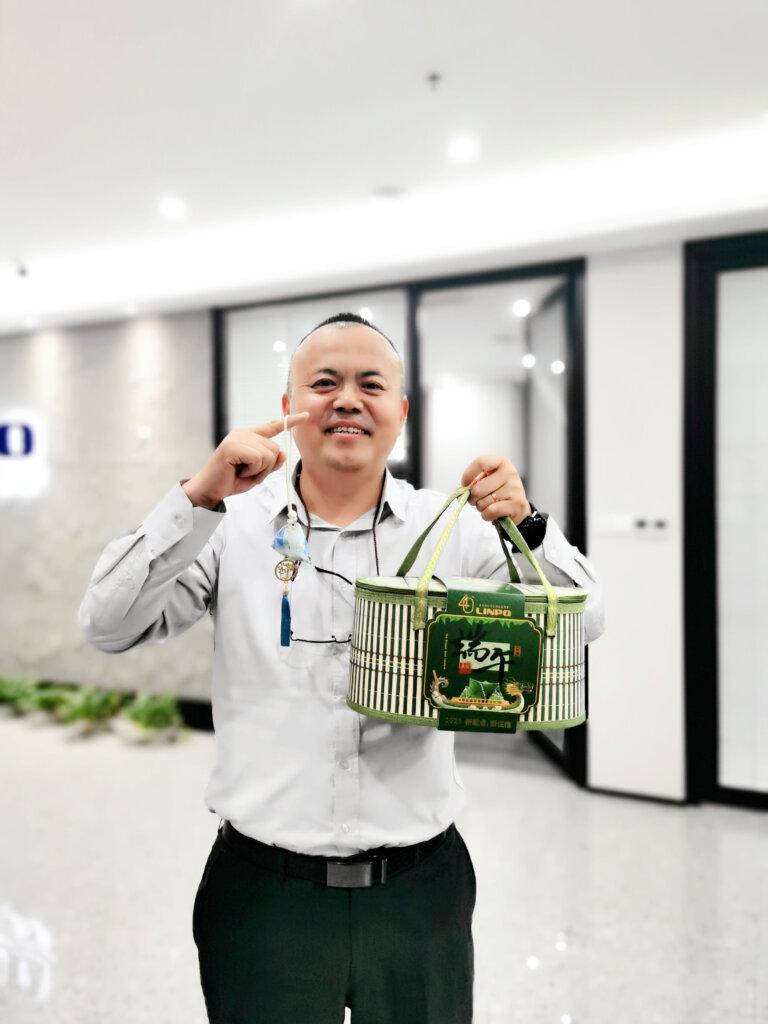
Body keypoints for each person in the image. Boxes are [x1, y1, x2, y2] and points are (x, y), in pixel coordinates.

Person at [79, 312, 603, 1024]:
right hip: (263, 892)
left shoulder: (449, 528)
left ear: (400, 413)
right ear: (289, 405)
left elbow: (584, 620)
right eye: (324, 383)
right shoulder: (231, 525)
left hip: (420, 893)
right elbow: (107, 624)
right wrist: (197, 496)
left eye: (371, 385)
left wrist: (528, 527)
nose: (347, 400)